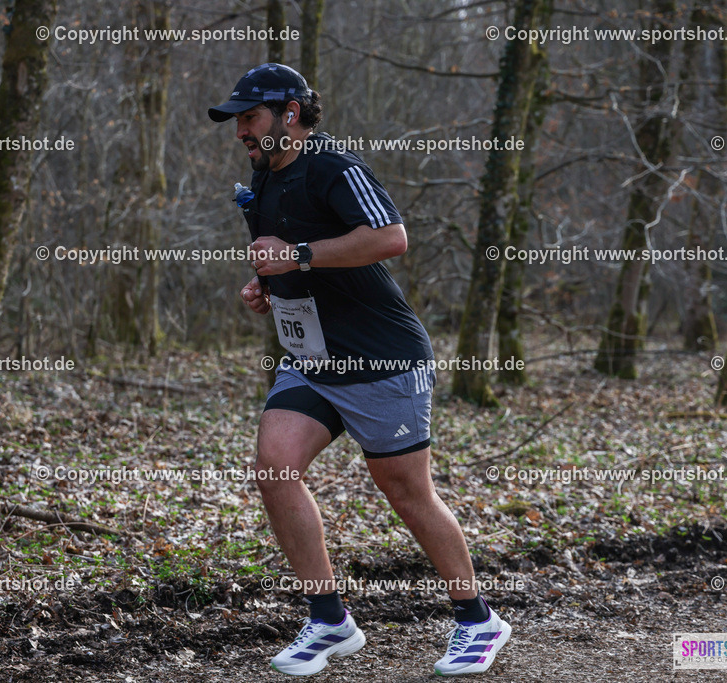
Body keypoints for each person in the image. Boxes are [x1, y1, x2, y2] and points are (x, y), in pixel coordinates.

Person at [208, 63, 510, 677]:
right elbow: (292, 259)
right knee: (276, 466)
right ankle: (328, 619)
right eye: (237, 120)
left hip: (381, 358)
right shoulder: (262, 179)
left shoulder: (334, 168)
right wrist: (269, 283)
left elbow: (391, 238)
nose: (241, 130)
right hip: (313, 360)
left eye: (250, 117)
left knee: (405, 491)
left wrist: (297, 256)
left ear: (289, 113)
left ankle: (478, 619)